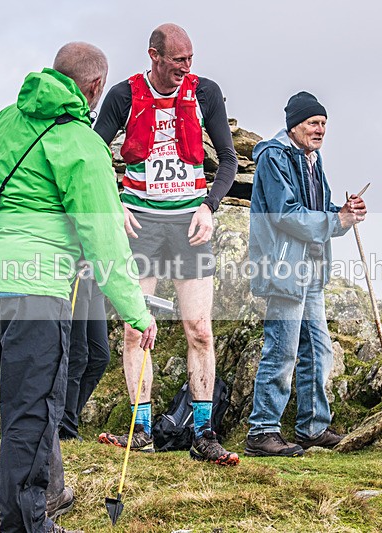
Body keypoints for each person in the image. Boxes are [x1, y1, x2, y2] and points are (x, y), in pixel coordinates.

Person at [0, 42, 157, 533]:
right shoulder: (80, 141)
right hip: (36, 284)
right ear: (94, 88)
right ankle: (28, 523)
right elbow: (104, 237)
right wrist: (138, 312)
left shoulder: (4, 120)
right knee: (32, 407)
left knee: (31, 396)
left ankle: (49, 489)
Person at [93, 23, 239, 466]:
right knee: (137, 329)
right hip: (141, 224)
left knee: (200, 329)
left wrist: (209, 207)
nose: (185, 67)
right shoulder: (124, 94)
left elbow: (229, 158)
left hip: (188, 224)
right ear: (154, 55)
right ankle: (141, 433)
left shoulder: (205, 92)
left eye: (190, 59)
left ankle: (204, 433)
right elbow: (94, 153)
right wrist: (115, 202)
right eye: (178, 60)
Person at [243, 92, 366, 457]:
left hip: (311, 269)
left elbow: (317, 212)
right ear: (294, 125)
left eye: (324, 124)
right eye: (313, 123)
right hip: (284, 267)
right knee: (281, 351)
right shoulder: (274, 158)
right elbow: (286, 213)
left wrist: (342, 214)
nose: (320, 130)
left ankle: (312, 428)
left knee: (318, 349)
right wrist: (335, 220)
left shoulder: (312, 159)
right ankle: (261, 431)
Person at [59, 274, 110, 441]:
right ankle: (65, 430)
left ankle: (62, 420)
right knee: (77, 354)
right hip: (78, 272)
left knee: (100, 357)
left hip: (97, 279)